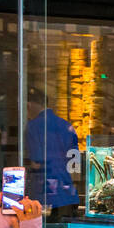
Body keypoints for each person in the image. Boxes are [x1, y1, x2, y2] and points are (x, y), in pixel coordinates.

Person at [24, 86, 81, 217]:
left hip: (45, 195)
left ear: (29, 105)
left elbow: (36, 163)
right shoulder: (67, 126)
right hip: (68, 195)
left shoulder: (33, 126)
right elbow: (75, 167)